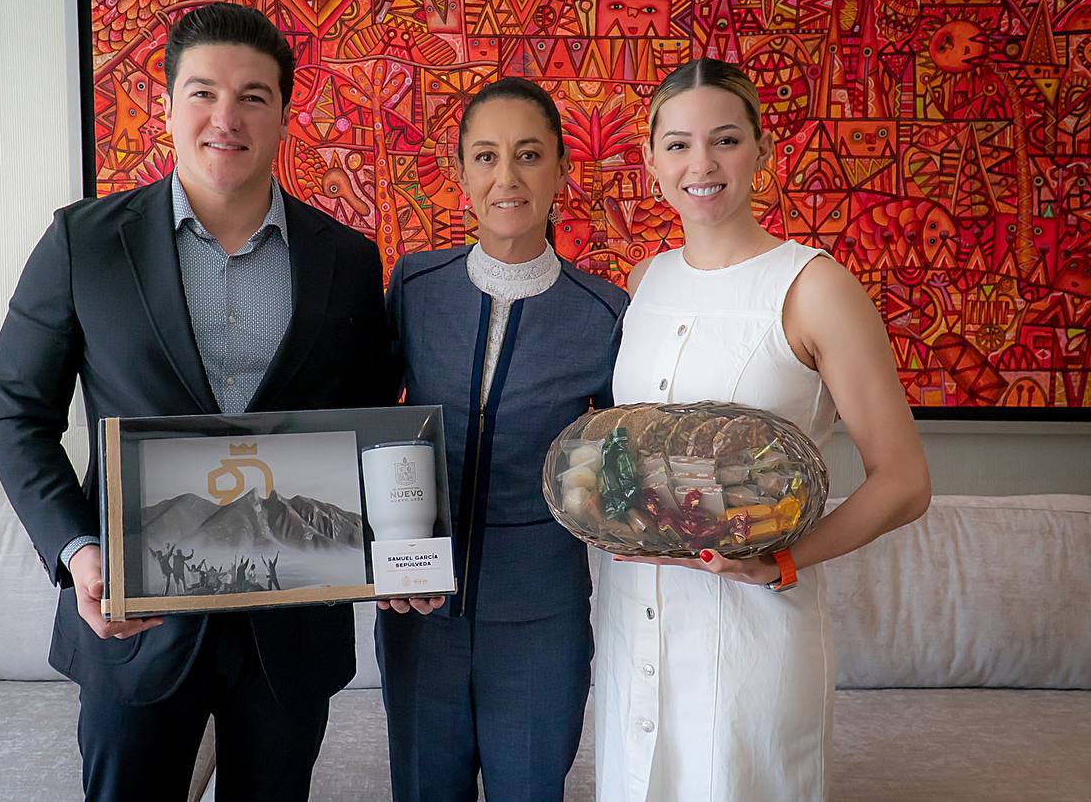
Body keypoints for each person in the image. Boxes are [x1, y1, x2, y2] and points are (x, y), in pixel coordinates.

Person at [0, 3, 391, 802]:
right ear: (165, 106)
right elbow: (14, 418)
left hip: (291, 624)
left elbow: (369, 428)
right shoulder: (83, 243)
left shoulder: (346, 258)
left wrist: (406, 543)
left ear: (284, 113)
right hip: (135, 620)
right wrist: (76, 550)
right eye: (202, 92)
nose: (225, 118)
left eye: (253, 96)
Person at [594, 58, 932, 802]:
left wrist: (783, 560)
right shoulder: (643, 282)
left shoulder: (814, 286)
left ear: (762, 150)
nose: (701, 164)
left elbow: (905, 483)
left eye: (725, 140)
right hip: (633, 628)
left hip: (753, 636)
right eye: (678, 144)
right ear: (650, 160)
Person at [379, 77, 628, 801]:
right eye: (485, 157)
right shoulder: (414, 286)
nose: (507, 177)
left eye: (528, 154)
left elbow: (621, 473)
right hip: (420, 611)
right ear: (460, 174)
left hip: (541, 616)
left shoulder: (604, 313)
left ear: (560, 170)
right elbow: (365, 421)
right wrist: (380, 555)